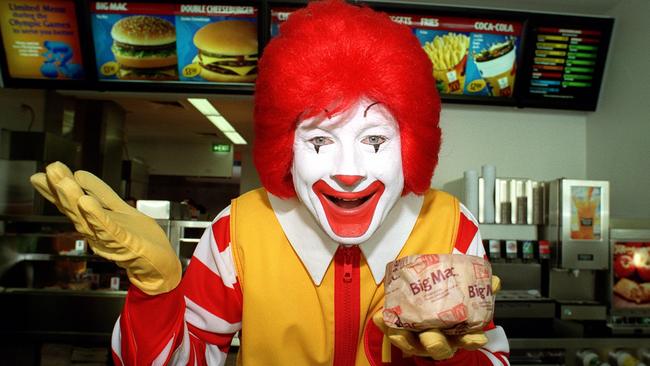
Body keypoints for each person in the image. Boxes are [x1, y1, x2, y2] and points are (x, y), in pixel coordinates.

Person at [30, 1, 509, 365]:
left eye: (375, 139)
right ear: (285, 147)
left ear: (412, 146)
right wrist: (156, 294)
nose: (349, 170)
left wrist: (451, 357)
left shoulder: (451, 225)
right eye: (319, 141)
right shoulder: (236, 230)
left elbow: (492, 355)